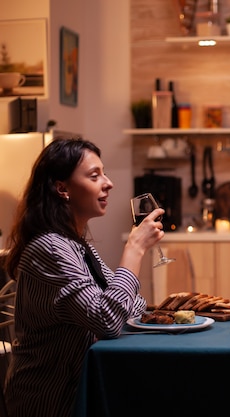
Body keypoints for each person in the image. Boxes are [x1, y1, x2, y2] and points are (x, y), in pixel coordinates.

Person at [2, 136, 163, 416]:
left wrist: (118, 303)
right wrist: (135, 249)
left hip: (81, 386)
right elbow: (109, 318)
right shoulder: (50, 248)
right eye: (94, 175)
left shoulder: (76, 245)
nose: (108, 183)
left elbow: (128, 304)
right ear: (62, 188)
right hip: (52, 400)